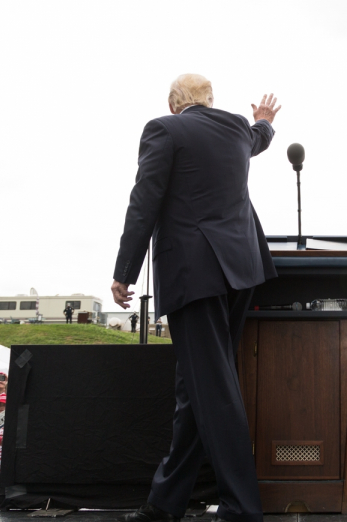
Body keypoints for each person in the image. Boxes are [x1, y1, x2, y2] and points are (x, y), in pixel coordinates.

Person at [111, 75, 279, 522]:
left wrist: (124, 272)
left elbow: (144, 202)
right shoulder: (238, 128)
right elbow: (259, 139)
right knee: (197, 388)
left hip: (195, 273)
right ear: (210, 99)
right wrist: (265, 121)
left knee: (214, 388)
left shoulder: (164, 130)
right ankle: (165, 503)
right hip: (241, 272)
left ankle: (242, 509)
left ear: (173, 103)